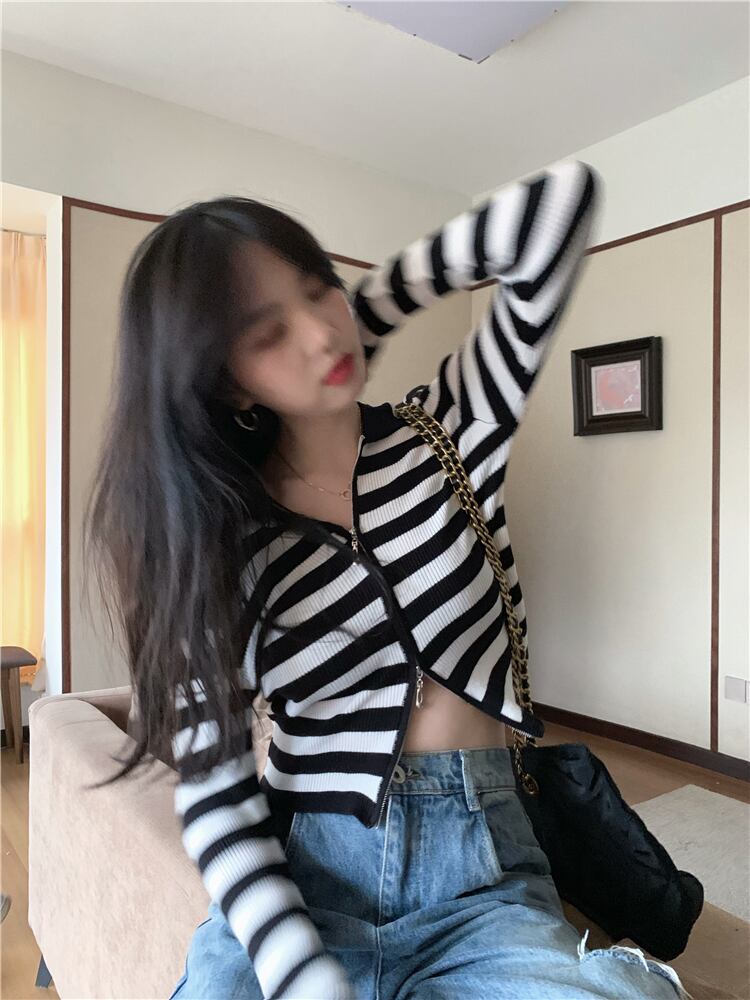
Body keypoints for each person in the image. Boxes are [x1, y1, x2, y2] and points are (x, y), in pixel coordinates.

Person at [86, 161, 688, 1000]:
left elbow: (558, 210)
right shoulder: (210, 539)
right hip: (311, 875)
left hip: (483, 878)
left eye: (317, 288)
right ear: (221, 376)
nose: (317, 332)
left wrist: (358, 318)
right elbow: (216, 797)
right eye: (266, 333)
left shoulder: (452, 431)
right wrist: (300, 973)